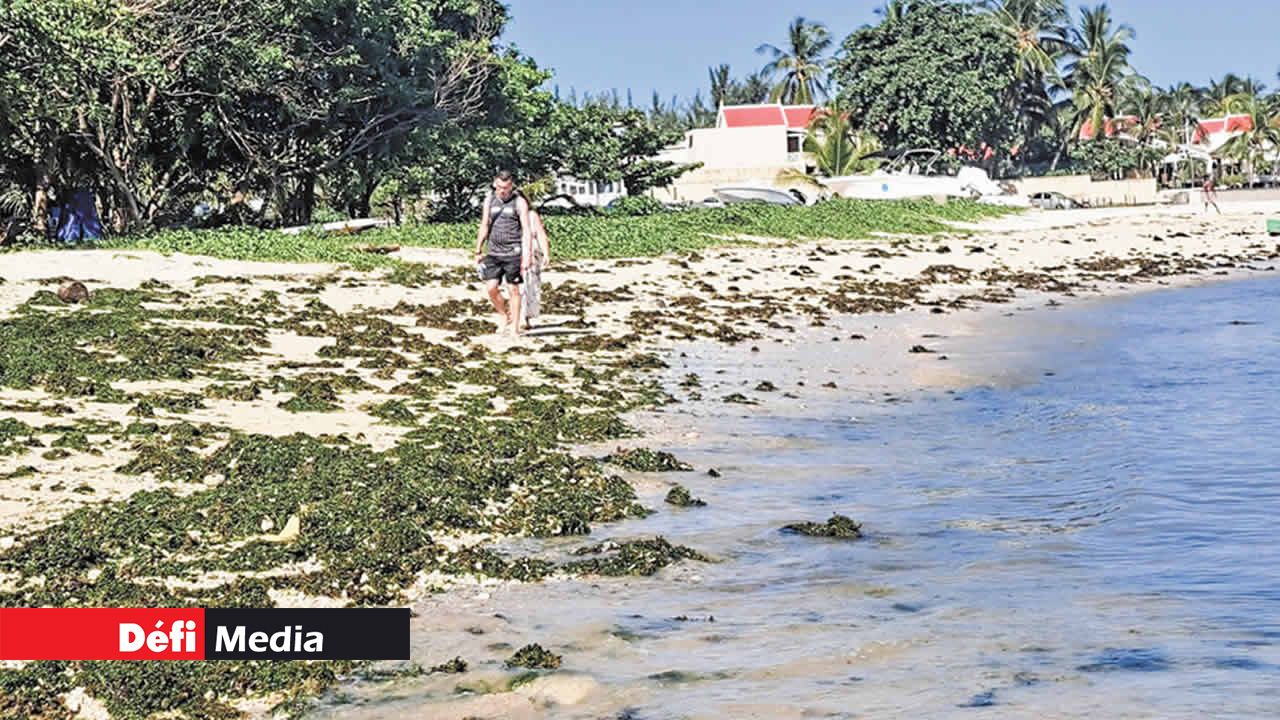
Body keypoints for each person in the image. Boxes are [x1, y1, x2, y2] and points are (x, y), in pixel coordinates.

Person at [474, 170, 532, 336]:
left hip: (513, 251)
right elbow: (484, 224)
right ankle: (503, 315)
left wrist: (526, 255)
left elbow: (526, 230)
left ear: (511, 186)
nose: (502, 191)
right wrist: (478, 249)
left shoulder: (519, 202)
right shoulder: (490, 200)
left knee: (513, 289)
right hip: (493, 251)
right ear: (494, 184)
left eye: (506, 188)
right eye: (499, 187)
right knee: (491, 288)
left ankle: (514, 326)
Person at [520, 207, 551, 331]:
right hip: (513, 252)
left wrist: (546, 253)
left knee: (530, 285)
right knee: (516, 287)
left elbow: (541, 234)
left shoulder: (531, 215)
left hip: (531, 253)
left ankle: (525, 317)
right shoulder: (505, 213)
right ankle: (518, 317)